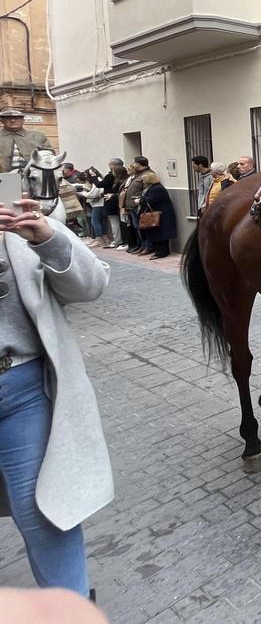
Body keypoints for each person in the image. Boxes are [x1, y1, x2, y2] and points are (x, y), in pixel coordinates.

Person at [0, 195, 111, 598]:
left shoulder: (19, 219)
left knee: (43, 510)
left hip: (20, 390)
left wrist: (47, 239)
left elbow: (92, 284)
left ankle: (71, 607)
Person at [135, 172, 177, 259]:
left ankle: (161, 252)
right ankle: (158, 251)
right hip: (158, 214)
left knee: (161, 234)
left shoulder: (157, 188)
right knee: (157, 233)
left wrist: (140, 201)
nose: (143, 182)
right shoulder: (154, 187)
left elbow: (151, 200)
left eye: (144, 181)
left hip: (161, 215)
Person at [0, 107, 52, 173]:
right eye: (8, 118)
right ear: (2, 120)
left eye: (17, 118)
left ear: (23, 120)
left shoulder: (38, 136)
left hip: (34, 175)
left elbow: (49, 156)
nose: (13, 120)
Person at [121, 158, 152, 254]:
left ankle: (147, 246)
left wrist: (139, 199)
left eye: (135, 163)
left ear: (139, 164)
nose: (133, 165)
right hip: (132, 205)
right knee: (136, 227)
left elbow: (146, 190)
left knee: (142, 227)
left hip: (138, 205)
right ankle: (141, 245)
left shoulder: (147, 174)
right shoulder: (137, 174)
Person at [101, 160, 125, 249]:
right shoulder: (117, 179)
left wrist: (94, 176)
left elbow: (100, 184)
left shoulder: (112, 177)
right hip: (116, 202)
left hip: (113, 203)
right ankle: (118, 240)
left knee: (116, 223)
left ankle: (117, 240)